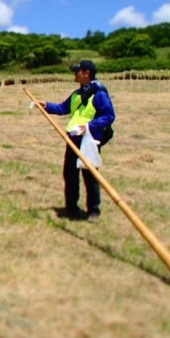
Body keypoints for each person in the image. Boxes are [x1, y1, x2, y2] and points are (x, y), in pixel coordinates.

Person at [38, 60, 115, 223]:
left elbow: (109, 116)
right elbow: (62, 108)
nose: (75, 74)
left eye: (77, 71)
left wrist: (89, 126)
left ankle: (94, 210)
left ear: (87, 73)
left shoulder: (99, 93)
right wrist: (46, 106)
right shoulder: (77, 94)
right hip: (72, 141)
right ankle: (72, 208)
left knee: (90, 176)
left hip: (89, 141)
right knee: (70, 175)